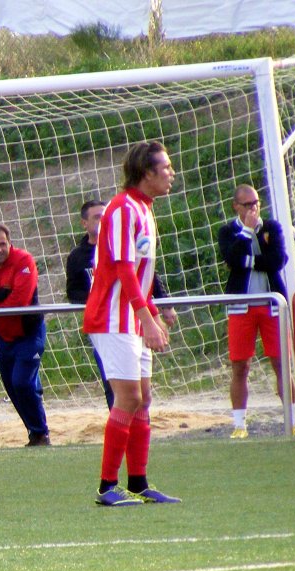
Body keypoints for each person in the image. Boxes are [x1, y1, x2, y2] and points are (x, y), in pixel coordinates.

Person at [82, 141, 181, 506]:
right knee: (129, 397)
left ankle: (138, 483)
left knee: (143, 399)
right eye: (165, 167)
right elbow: (123, 269)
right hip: (112, 317)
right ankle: (107, 487)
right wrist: (146, 317)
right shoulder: (123, 208)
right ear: (146, 172)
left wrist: (151, 312)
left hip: (132, 317)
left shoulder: (144, 208)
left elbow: (139, 276)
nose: (171, 173)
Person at [67, 200, 178, 411]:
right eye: (96, 217)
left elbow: (145, 275)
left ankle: (134, 425)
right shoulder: (78, 256)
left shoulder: (123, 240)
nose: (102, 220)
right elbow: (73, 292)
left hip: (135, 316)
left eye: (104, 216)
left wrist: (161, 307)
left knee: (141, 395)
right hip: (107, 320)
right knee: (120, 388)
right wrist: (99, 297)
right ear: (84, 223)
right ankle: (119, 419)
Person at [217, 184, 292, 439]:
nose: (253, 208)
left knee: (281, 363)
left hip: (272, 304)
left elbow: (278, 260)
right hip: (241, 306)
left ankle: (292, 419)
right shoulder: (228, 231)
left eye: (256, 202)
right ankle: (240, 425)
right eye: (247, 204)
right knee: (240, 366)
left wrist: (248, 262)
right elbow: (231, 258)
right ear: (236, 206)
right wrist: (247, 231)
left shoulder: (271, 227)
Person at [0, 223, 50, 446]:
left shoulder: (24, 260)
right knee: (13, 386)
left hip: (29, 331)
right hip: (3, 334)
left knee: (21, 382)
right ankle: (34, 432)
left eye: (2, 244)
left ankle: (41, 433)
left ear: (10, 244)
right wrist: (1, 294)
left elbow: (20, 301)